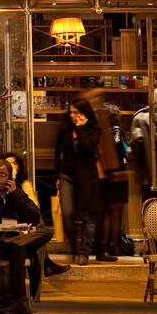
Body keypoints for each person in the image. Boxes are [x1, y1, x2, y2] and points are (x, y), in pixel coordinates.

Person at [0, 157, 58, 314]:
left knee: (46, 231)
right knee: (19, 248)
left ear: (10, 177)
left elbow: (34, 216)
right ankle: (19, 302)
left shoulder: (17, 192)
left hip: (13, 240)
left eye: (2, 175)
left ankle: (15, 243)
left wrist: (15, 195)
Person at [2, 150, 68, 276]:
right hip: (10, 227)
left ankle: (46, 265)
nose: (12, 166)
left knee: (43, 229)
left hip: (27, 223)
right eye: (8, 164)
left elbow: (34, 208)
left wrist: (16, 191)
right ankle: (47, 265)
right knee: (39, 234)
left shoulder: (24, 184)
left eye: (15, 163)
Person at [54, 96, 103, 265]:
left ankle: (84, 252)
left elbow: (89, 147)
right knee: (67, 214)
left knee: (89, 216)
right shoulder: (65, 129)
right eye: (72, 112)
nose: (73, 116)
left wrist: (81, 128)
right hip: (67, 174)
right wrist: (57, 176)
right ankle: (74, 248)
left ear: (85, 113)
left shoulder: (94, 129)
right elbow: (58, 152)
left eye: (77, 113)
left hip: (87, 176)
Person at [84, 90, 129, 260]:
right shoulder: (115, 130)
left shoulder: (101, 132)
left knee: (105, 213)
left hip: (105, 177)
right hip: (116, 175)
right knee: (115, 212)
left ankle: (105, 245)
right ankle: (115, 246)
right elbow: (119, 148)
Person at [131, 87, 157, 194]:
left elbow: (137, 145)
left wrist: (141, 167)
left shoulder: (140, 117)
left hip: (150, 172)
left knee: (150, 205)